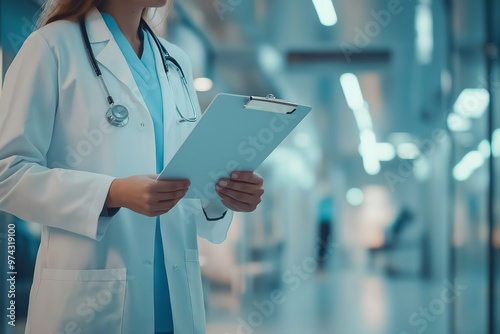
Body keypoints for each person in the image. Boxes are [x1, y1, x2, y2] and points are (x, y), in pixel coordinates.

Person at [0, 1, 264, 333]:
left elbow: (185, 185)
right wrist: (111, 193)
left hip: (174, 299)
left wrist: (223, 195)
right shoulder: (51, 47)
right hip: (92, 300)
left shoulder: (175, 61)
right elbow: (7, 173)